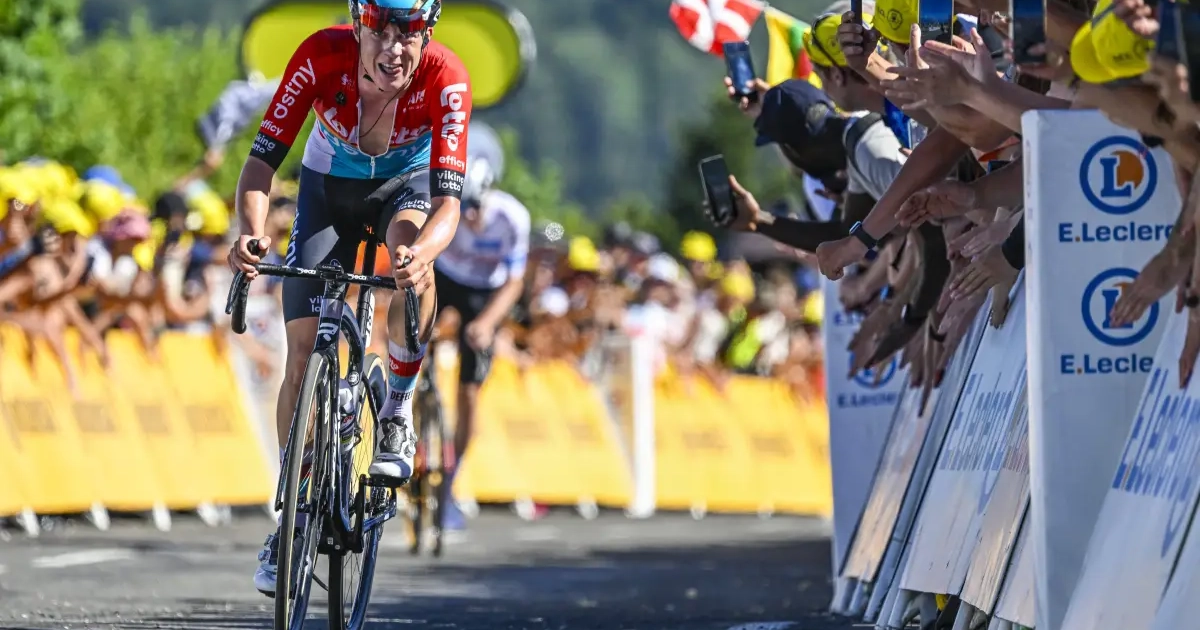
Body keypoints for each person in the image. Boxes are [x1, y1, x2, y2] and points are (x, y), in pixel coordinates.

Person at [223, 0, 472, 597]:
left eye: (409, 33)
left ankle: (397, 410)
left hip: (406, 190)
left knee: (411, 260)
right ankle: (292, 517)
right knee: (302, 353)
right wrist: (251, 234)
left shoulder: (447, 78)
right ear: (358, 26)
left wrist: (422, 256)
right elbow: (260, 164)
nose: (394, 48)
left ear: (428, 33)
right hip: (327, 190)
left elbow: (448, 205)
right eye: (380, 31)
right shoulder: (319, 55)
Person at [429, 122, 530, 532]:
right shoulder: (446, 206)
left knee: (469, 392)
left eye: (474, 208)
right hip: (444, 275)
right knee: (414, 330)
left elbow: (515, 282)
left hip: (483, 293)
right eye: (463, 206)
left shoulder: (512, 218)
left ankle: (450, 481)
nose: (468, 216)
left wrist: (487, 324)